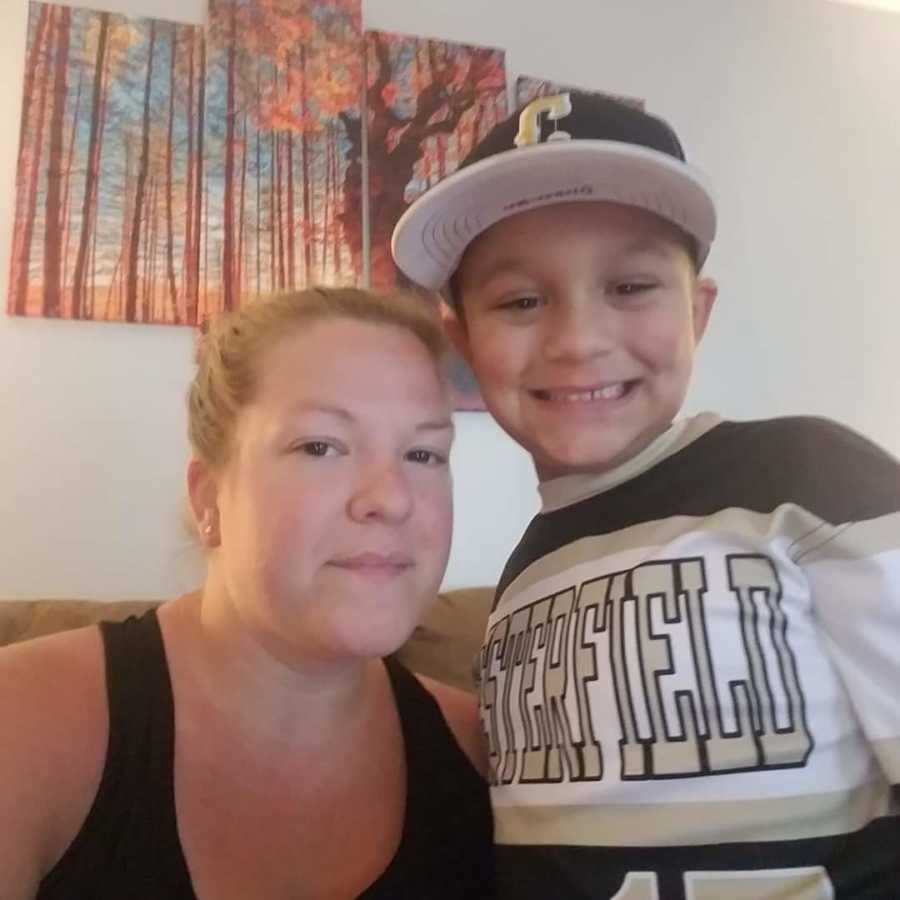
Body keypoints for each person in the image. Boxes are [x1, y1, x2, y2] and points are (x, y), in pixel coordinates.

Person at [392, 91, 900, 898]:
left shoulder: (815, 478)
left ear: (697, 314)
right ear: (463, 341)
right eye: (521, 301)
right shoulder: (525, 576)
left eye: (630, 287)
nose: (579, 341)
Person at [0, 287, 494, 899]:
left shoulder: (489, 755)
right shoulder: (24, 722)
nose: (391, 498)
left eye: (423, 453)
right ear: (209, 497)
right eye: (320, 446)